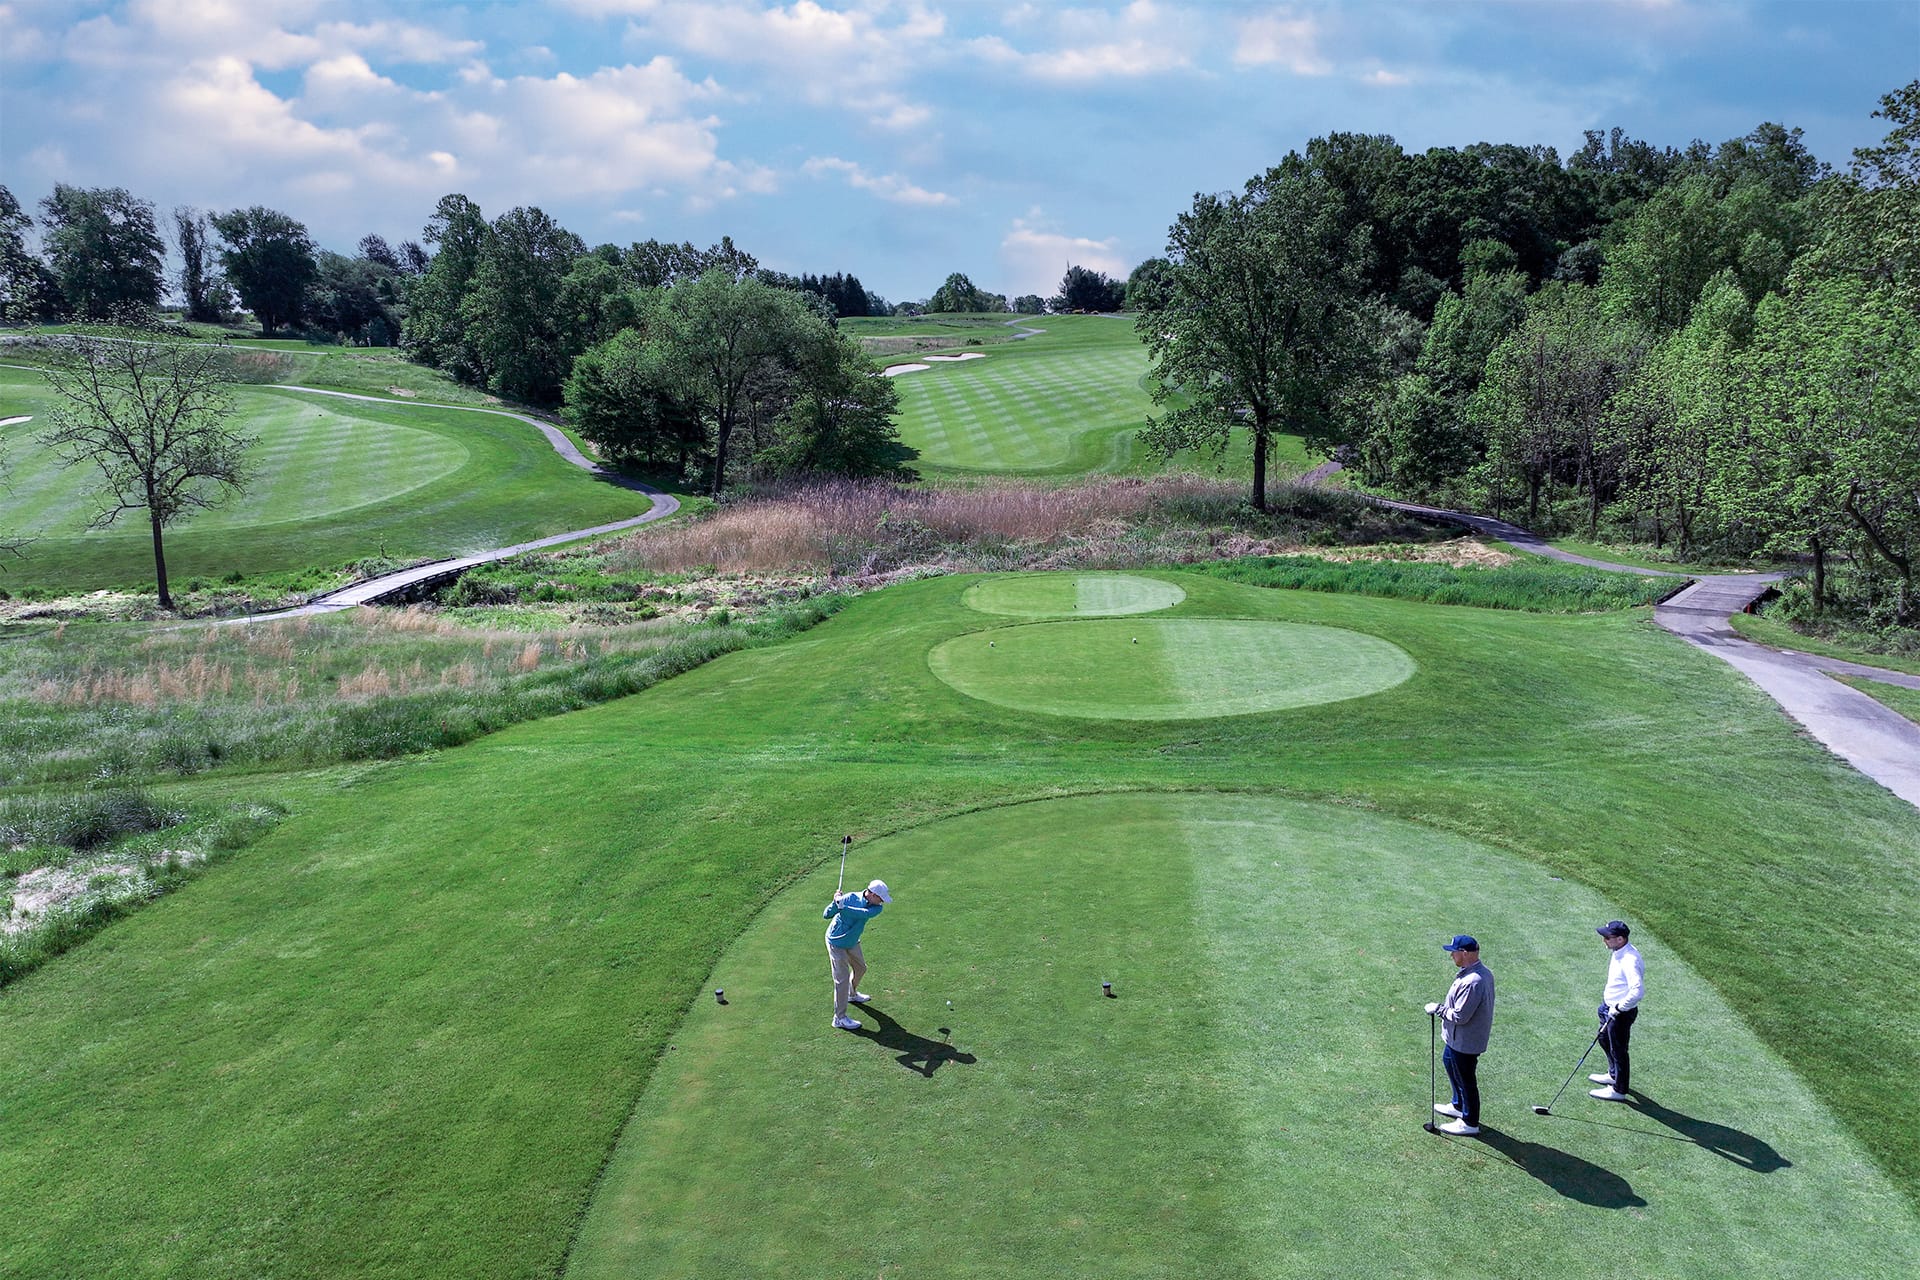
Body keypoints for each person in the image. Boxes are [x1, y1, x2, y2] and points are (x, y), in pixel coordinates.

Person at [1425, 935, 1495, 1136]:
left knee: (1466, 1080)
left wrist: (1438, 1009)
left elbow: (1460, 1016)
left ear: (1464, 953)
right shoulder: (1475, 973)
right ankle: (1458, 1105)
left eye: (1453, 952)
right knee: (1449, 1062)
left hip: (1466, 1041)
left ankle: (1470, 1122)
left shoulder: (1473, 981)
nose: (1451, 956)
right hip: (1457, 1038)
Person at [824, 878, 892, 1030]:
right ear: (872, 894)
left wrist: (843, 907)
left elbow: (862, 913)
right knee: (841, 980)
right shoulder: (849, 898)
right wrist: (836, 902)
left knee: (861, 968)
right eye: (881, 898)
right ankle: (839, 1018)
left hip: (852, 941)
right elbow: (826, 914)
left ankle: (851, 994)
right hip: (836, 942)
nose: (882, 901)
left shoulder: (876, 908)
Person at [1589, 919, 1644, 1102]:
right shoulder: (1618, 951)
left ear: (1620, 939)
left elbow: (1637, 991)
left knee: (1619, 1050)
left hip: (1620, 1013)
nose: (1604, 940)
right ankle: (1613, 1075)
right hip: (1608, 1007)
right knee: (1604, 1039)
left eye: (1607, 937)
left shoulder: (1630, 960)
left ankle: (1619, 1090)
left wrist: (1619, 1007)